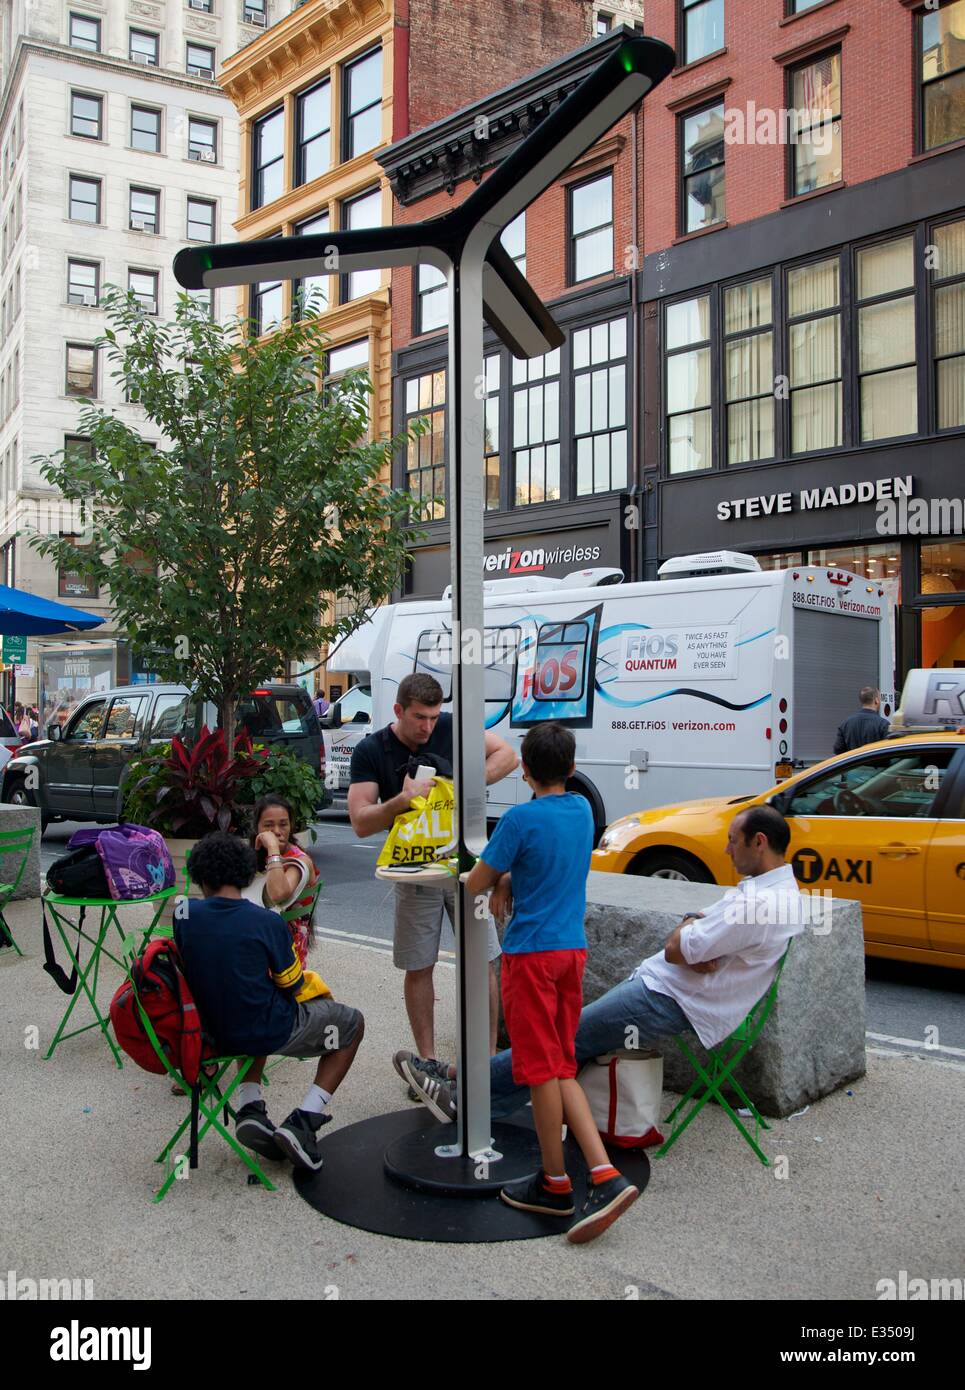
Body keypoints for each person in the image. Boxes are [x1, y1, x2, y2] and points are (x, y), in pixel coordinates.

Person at [402, 804, 806, 1132]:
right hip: (674, 991)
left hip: (670, 998)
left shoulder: (757, 904)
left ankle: (459, 1088)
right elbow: (693, 928)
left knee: (561, 1041)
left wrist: (687, 933)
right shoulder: (776, 891)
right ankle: (473, 1095)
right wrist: (692, 927)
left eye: (733, 842)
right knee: (565, 1040)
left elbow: (674, 948)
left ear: (760, 841)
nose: (727, 851)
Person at [464, 722, 639, 1244]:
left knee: (540, 1071)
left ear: (523, 770)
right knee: (561, 1064)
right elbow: (554, 863)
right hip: (571, 953)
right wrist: (514, 877)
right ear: (571, 768)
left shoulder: (518, 820)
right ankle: (603, 1173)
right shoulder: (582, 811)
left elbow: (476, 879)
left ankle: (555, 1181)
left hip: (531, 957)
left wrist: (497, 878)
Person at [348, 672, 517, 1080]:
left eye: (433, 717)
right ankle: (427, 1063)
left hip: (466, 866)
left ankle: (486, 1060)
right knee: (419, 965)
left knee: (482, 960)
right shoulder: (372, 749)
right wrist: (402, 801)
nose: (428, 727)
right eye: (419, 718)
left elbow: (508, 756)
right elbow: (359, 821)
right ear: (398, 711)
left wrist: (461, 785)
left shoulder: (451, 727)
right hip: (415, 872)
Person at [177, 832, 364, 1172]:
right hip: (264, 1030)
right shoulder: (266, 921)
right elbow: (291, 983)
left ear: (200, 877)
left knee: (247, 998)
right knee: (351, 1024)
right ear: (247, 876)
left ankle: (250, 1106)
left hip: (208, 1033)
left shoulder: (184, 914)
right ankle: (305, 1119)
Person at [246, 794, 319, 969]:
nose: (277, 831)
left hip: (285, 951)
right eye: (269, 826)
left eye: (283, 824)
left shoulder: (300, 860)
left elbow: (277, 894)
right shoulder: (253, 856)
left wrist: (272, 847)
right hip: (259, 938)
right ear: (257, 828)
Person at [833, 686, 890, 754]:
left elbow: (838, 750)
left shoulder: (846, 724)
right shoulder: (884, 725)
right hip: (877, 764)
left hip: (855, 764)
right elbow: (888, 752)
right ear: (876, 700)